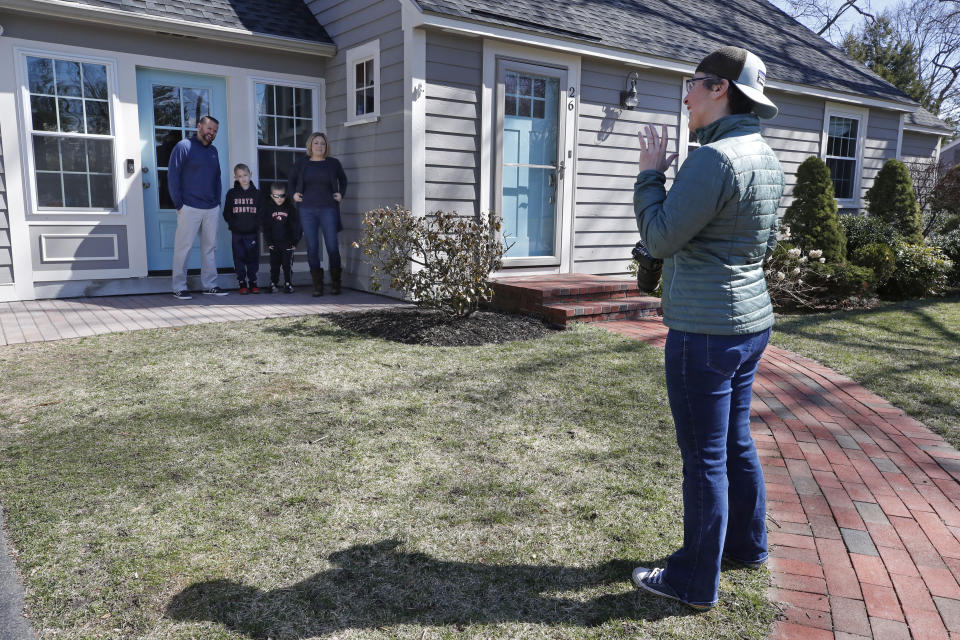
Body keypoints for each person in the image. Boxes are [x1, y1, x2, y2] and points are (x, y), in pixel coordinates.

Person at [630, 46, 785, 611]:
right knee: (735, 441)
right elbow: (764, 245)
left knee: (705, 456)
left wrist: (650, 176)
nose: (686, 94)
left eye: (694, 83)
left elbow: (661, 237)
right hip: (749, 325)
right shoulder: (763, 155)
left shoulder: (713, 160)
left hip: (705, 331)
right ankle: (747, 545)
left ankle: (693, 581)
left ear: (721, 88)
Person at [168, 115, 227, 299]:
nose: (212, 133)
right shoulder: (183, 147)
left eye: (215, 131)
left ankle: (210, 284)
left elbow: (217, 178)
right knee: (183, 248)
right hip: (189, 206)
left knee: (209, 248)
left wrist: (217, 201)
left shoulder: (214, 151)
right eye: (209, 129)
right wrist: (179, 204)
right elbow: (173, 176)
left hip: (211, 207)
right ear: (199, 126)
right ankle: (179, 286)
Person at [289, 132, 348, 296]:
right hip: (307, 210)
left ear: (326, 146)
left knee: (332, 246)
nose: (319, 146)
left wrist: (340, 193)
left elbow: (343, 180)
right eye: (316, 143)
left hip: (328, 209)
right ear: (310, 145)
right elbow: (291, 181)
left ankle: (336, 283)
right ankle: (318, 286)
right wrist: (293, 194)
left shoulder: (333, 163)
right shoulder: (301, 163)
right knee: (312, 248)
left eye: (322, 143)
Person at [223, 164, 261, 294]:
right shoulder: (231, 193)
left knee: (252, 258)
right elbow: (227, 212)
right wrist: (233, 224)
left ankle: (253, 282)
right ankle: (242, 282)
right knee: (239, 258)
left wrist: (256, 225)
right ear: (236, 177)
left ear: (250, 174)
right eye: (240, 176)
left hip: (252, 233)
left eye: (245, 175)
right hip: (237, 233)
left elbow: (262, 213)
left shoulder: (257, 194)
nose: (243, 178)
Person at [260, 182, 302, 294]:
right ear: (271, 196)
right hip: (274, 243)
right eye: (276, 196)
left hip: (287, 243)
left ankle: (288, 284)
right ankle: (273, 283)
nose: (279, 199)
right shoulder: (268, 209)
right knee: (274, 265)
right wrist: (269, 242)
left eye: (282, 196)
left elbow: (296, 226)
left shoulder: (290, 209)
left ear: (286, 195)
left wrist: (294, 241)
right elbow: (266, 227)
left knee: (287, 265)